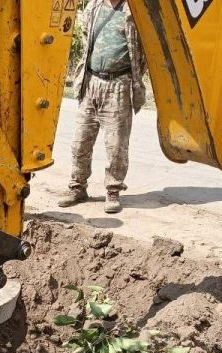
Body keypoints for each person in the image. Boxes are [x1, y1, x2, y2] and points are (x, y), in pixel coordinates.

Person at [59, 0, 147, 214]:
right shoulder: (94, 6)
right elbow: (84, 37)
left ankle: (113, 191)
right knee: (80, 142)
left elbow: (144, 51)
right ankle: (77, 187)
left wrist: (133, 80)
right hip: (91, 83)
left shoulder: (134, 12)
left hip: (118, 85)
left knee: (116, 146)